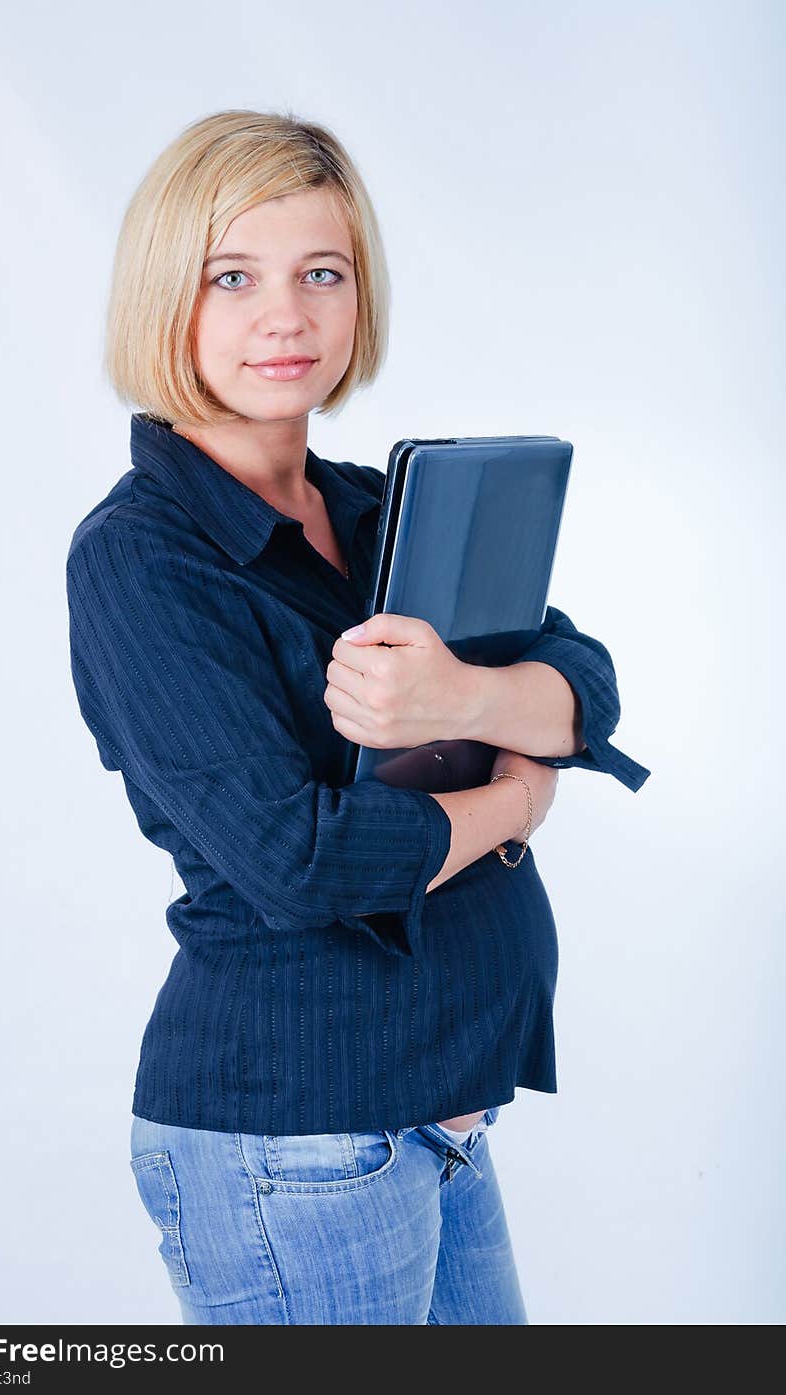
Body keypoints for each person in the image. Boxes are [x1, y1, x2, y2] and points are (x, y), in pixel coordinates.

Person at [65, 108, 651, 1325]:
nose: (286, 316)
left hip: (434, 1117)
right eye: (234, 276)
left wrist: (469, 698)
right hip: (297, 1144)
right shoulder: (143, 558)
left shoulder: (382, 504)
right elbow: (301, 858)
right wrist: (515, 797)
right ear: (166, 294)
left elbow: (583, 678)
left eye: (320, 273)